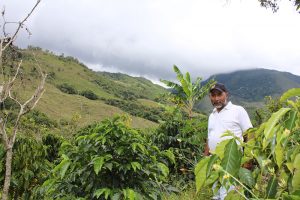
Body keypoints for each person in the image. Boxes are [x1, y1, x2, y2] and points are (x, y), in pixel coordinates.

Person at [204, 83, 253, 200]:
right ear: (210, 97)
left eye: (219, 94)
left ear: (226, 94)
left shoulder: (237, 110)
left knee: (229, 194)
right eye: (213, 95)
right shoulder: (212, 115)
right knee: (216, 194)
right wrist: (205, 157)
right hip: (215, 163)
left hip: (232, 162)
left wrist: (248, 160)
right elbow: (210, 137)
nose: (216, 99)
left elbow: (250, 135)